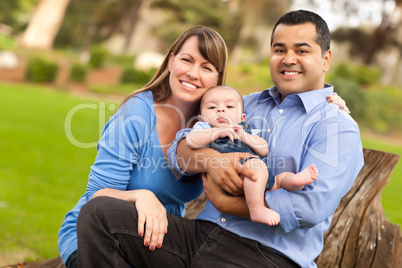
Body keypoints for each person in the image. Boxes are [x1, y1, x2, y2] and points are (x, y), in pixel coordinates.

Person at [76, 10, 362, 268]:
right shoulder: (244, 104)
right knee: (101, 215)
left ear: (326, 59)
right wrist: (210, 159)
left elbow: (310, 207)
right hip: (199, 237)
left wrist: (228, 204)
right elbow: (181, 147)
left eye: (302, 50)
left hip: (265, 255)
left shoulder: (337, 127)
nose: (288, 59)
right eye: (279, 49)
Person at [58, 26, 228, 268]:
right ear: (171, 61)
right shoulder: (136, 113)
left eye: (206, 67)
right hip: (94, 236)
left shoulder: (210, 128)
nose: (193, 73)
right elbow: (96, 196)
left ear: (217, 79)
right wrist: (141, 196)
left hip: (155, 241)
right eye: (186, 60)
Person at [186, 85, 318, 226]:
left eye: (229, 106)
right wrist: (215, 133)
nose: (220, 110)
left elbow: (264, 149)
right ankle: (256, 208)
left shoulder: (243, 129)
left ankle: (294, 181)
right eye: (212, 108)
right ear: (201, 118)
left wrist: (246, 137)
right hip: (235, 172)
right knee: (257, 166)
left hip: (257, 178)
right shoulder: (205, 128)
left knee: (279, 179)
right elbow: (191, 140)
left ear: (242, 117)